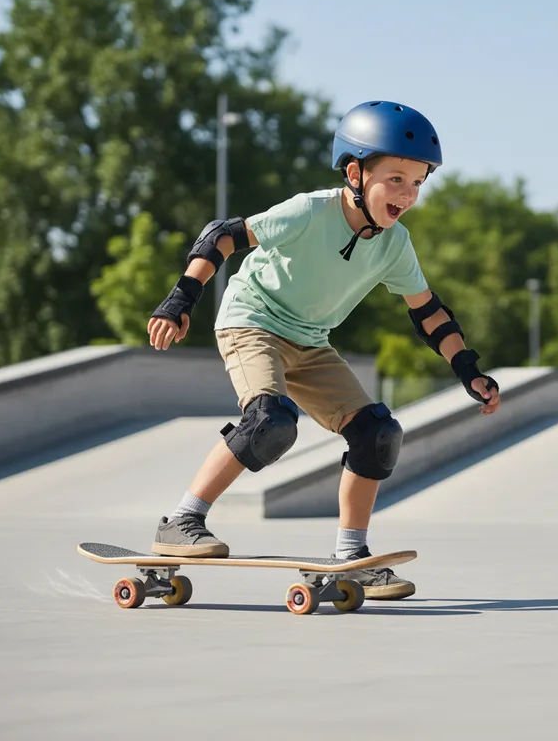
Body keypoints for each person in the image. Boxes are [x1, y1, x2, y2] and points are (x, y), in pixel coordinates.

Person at [146, 100, 501, 599]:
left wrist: (468, 369)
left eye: (419, 182)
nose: (408, 194)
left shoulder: (395, 244)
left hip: (311, 342)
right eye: (396, 179)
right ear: (355, 172)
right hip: (253, 322)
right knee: (269, 422)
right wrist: (181, 299)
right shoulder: (309, 212)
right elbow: (223, 236)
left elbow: (428, 312)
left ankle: (351, 554)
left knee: (377, 432)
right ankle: (181, 522)